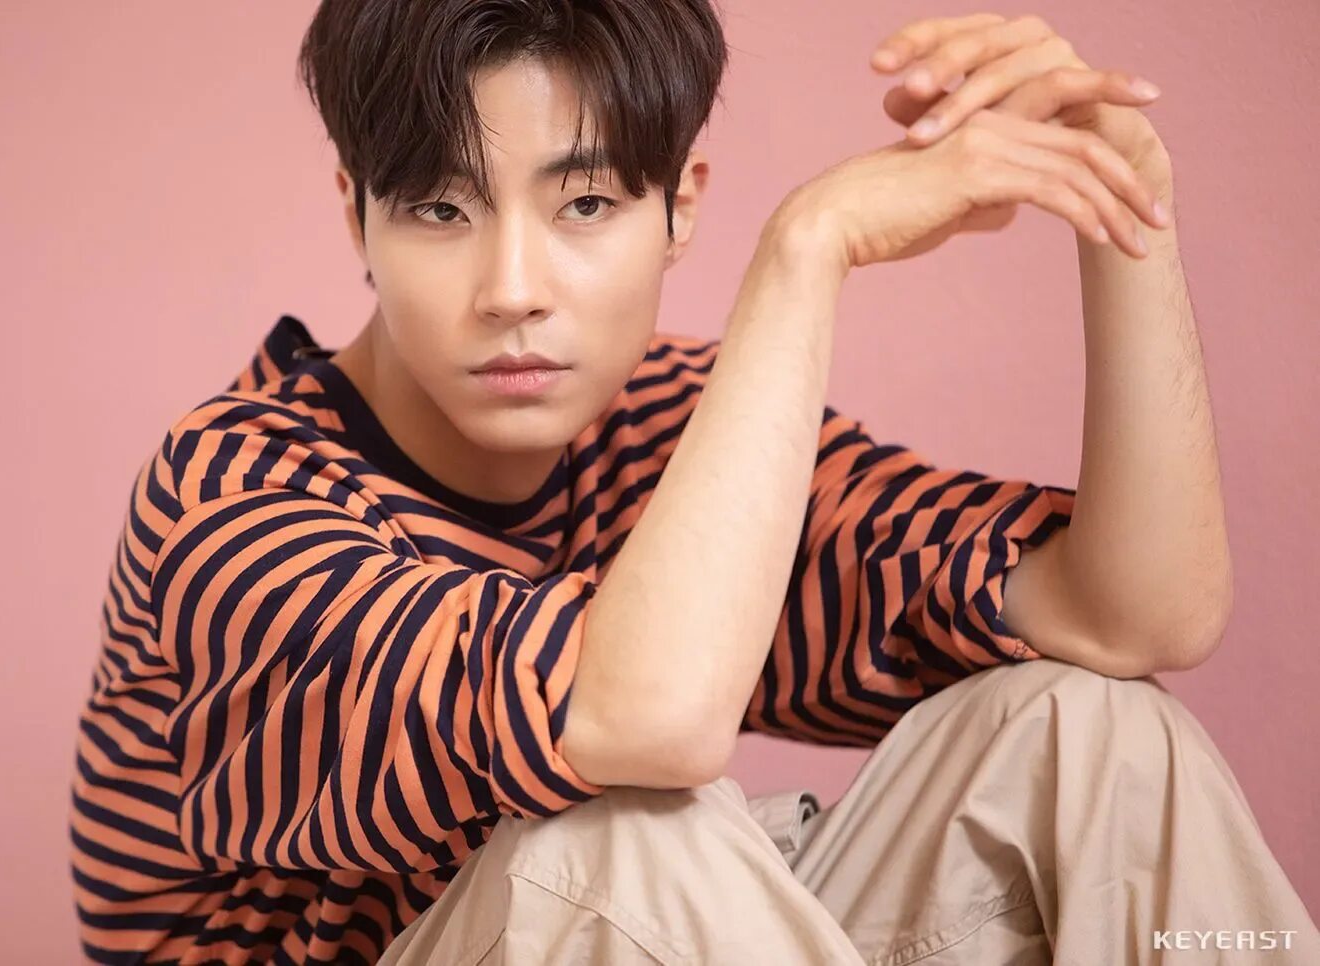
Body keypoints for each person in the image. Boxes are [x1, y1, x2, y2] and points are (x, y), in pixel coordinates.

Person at [68, 2, 1317, 963]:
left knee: (1089, 726)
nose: (512, 290)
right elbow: (641, 725)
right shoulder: (234, 495)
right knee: (617, 828)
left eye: (586, 203)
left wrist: (1121, 197)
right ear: (356, 217)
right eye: (440, 211)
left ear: (679, 209)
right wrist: (806, 252)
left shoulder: (671, 420)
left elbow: (1133, 616)